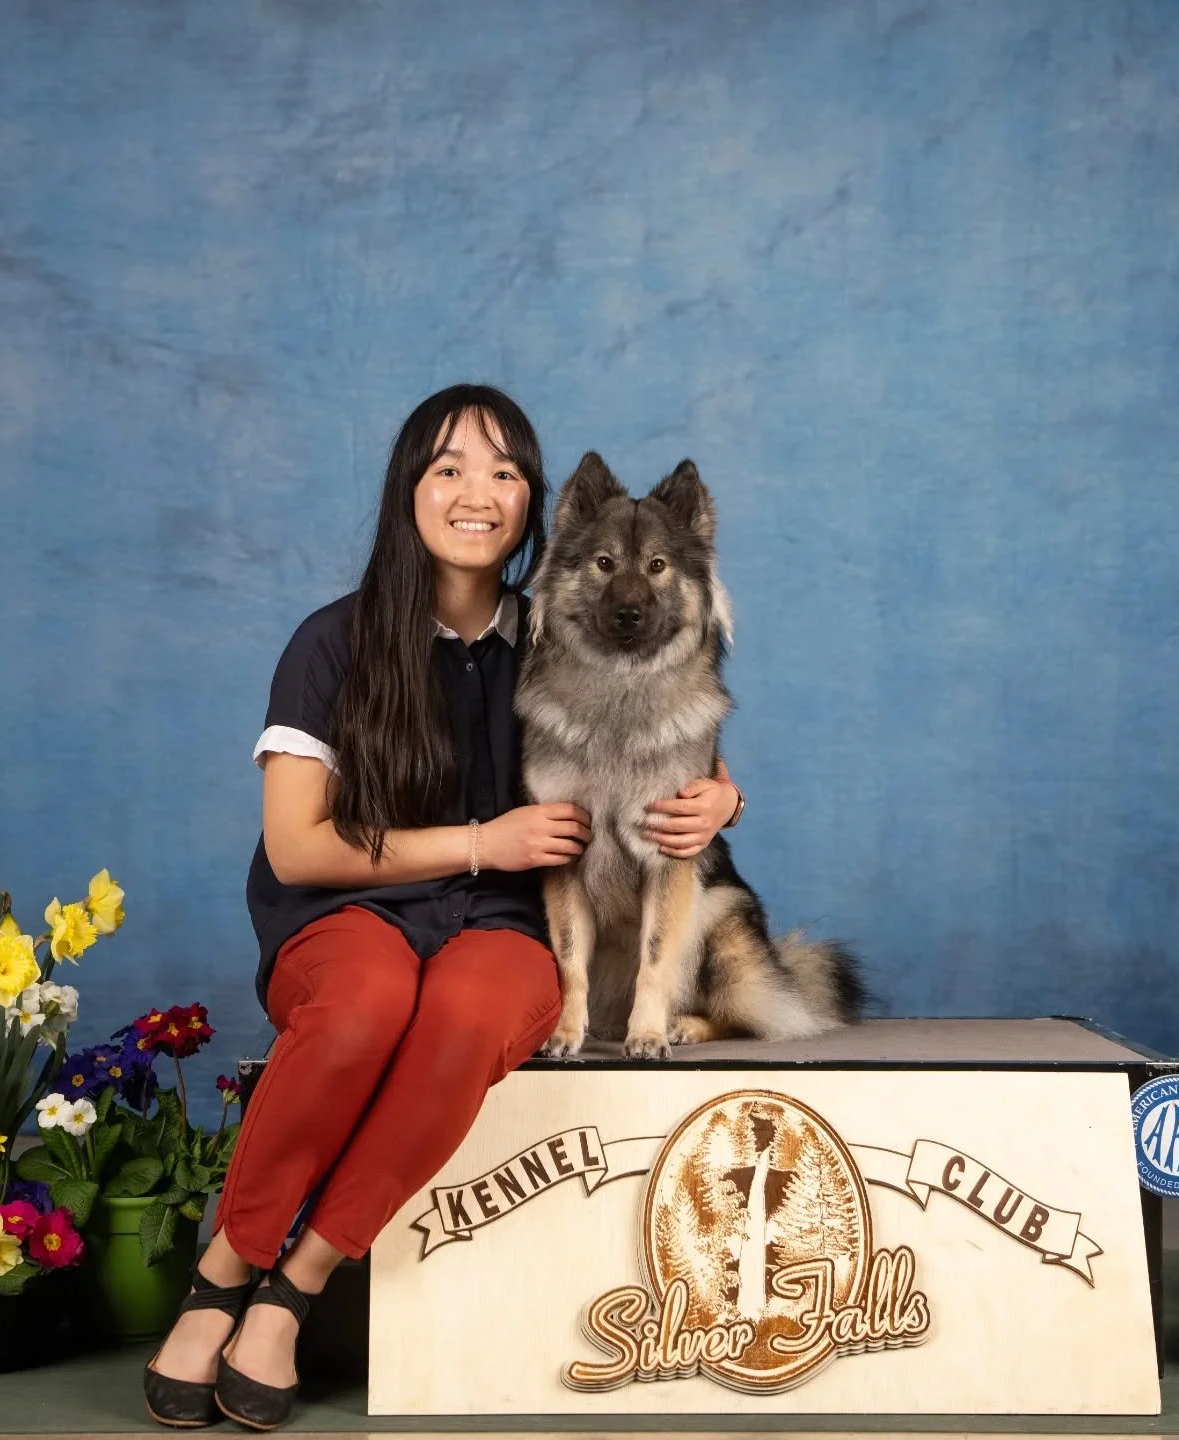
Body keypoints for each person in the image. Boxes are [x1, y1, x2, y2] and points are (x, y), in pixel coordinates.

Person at [143, 385, 744, 1431]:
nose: (479, 493)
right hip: (343, 914)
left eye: (506, 472)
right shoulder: (331, 643)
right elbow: (297, 844)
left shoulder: (557, 632)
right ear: (408, 490)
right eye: (450, 469)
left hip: (500, 926)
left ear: (534, 507)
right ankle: (224, 1273)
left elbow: (668, 730)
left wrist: (724, 793)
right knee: (369, 1000)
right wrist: (481, 841)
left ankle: (298, 1288)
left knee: (468, 1017)